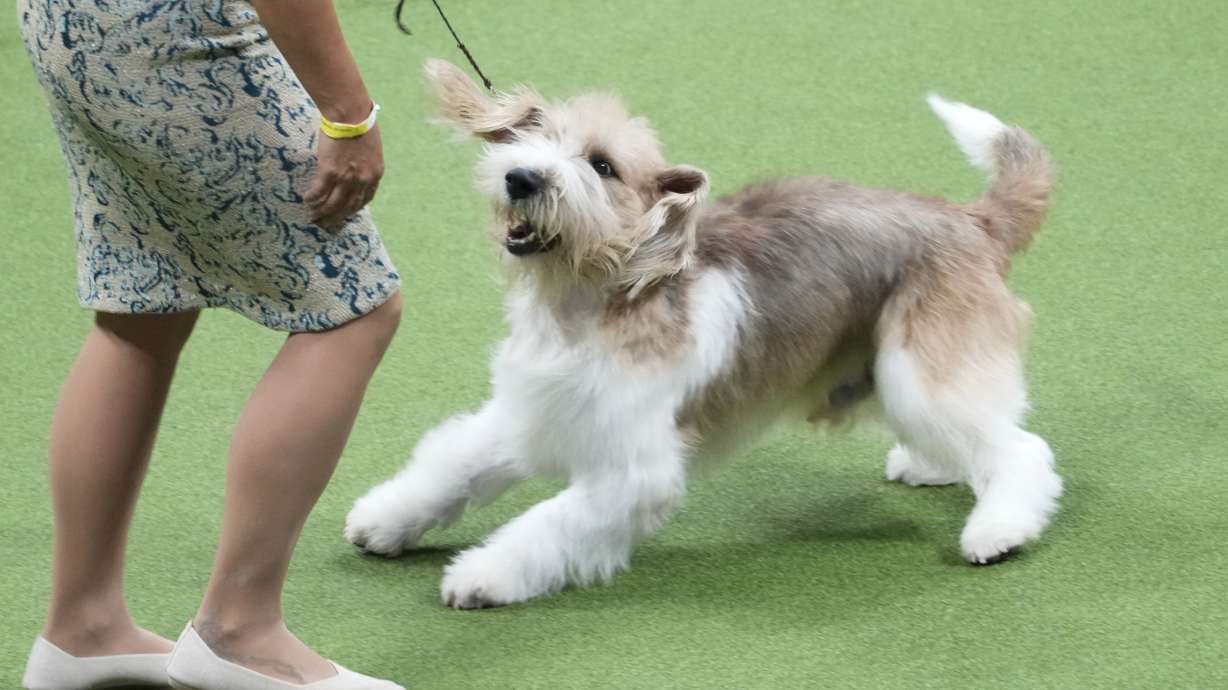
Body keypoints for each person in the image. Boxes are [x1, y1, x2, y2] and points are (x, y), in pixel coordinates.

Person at [18, 0, 405, 688]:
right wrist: (349, 116)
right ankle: (240, 631)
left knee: (142, 303)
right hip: (176, 40)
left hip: (70, 25)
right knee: (352, 311)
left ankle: (82, 629)